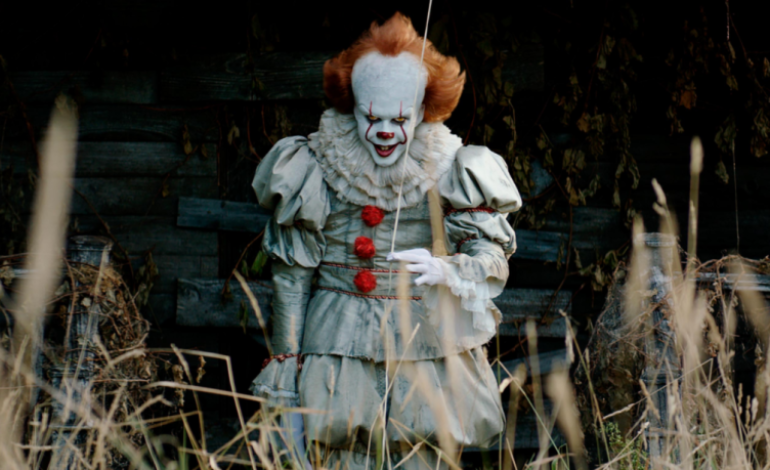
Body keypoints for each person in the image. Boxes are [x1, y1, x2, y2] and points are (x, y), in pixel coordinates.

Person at [250, 12, 521, 469]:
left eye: (400, 118)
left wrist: (449, 270)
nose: (385, 132)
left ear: (422, 110)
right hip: (336, 341)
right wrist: (285, 368)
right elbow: (291, 279)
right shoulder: (315, 164)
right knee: (336, 450)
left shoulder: (453, 166)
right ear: (353, 105)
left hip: (424, 339)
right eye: (372, 117)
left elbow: (492, 257)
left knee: (420, 450)